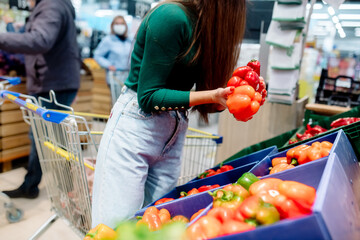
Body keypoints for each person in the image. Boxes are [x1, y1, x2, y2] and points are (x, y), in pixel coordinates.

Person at [91, 0, 247, 228]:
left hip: (173, 133)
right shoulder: (172, 16)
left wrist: (237, 96)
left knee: (155, 227)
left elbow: (207, 103)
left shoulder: (206, 28)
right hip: (136, 128)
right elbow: (148, 97)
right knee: (116, 228)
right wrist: (212, 96)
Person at [0, 0, 80, 199]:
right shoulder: (55, 5)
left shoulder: (50, 5)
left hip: (53, 84)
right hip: (56, 81)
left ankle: (50, 188)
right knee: (51, 137)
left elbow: (40, 40)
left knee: (45, 138)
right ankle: (63, 188)